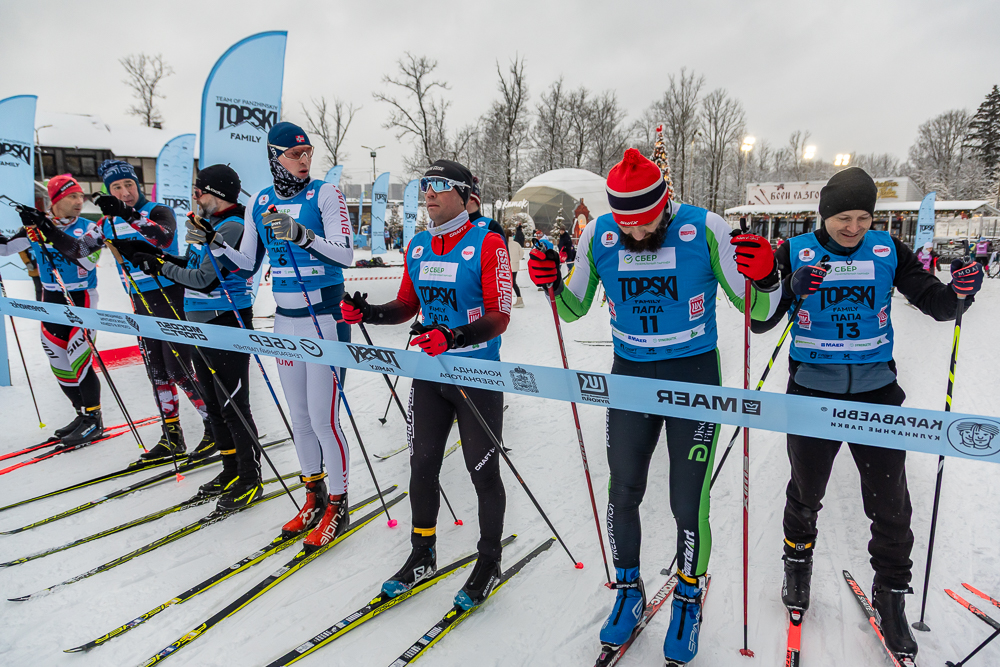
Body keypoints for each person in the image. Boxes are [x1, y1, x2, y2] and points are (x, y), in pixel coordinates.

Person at [528, 148, 780, 665]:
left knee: (688, 501)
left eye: (646, 223)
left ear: (665, 204)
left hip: (693, 377)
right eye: (628, 227)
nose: (638, 235)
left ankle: (688, 597)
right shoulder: (600, 234)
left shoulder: (704, 228)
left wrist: (769, 276)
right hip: (631, 377)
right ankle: (628, 589)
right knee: (622, 490)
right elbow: (573, 308)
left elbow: (755, 307)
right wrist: (550, 280)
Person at [751, 167, 983, 662]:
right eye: (842, 218)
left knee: (891, 503)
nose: (852, 227)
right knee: (806, 491)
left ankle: (891, 595)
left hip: (877, 396)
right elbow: (759, 319)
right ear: (824, 215)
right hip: (813, 393)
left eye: (862, 217)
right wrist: (789, 286)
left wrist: (961, 290)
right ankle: (798, 563)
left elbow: (937, 305)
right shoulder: (796, 250)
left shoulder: (888, 251)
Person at [341, 158, 512, 612]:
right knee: (421, 464)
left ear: (463, 195)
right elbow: (405, 305)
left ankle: (489, 559)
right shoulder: (418, 245)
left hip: (476, 373)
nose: (428, 193)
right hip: (430, 374)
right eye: (424, 187)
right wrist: (370, 313)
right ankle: (423, 552)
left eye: (438, 186)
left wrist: (456, 336)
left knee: (482, 469)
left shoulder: (487, 242)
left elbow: (500, 315)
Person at [212, 122, 355, 546]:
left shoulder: (325, 194)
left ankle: (339, 505)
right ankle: (314, 494)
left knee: (325, 419)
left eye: (308, 153)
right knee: (301, 419)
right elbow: (247, 262)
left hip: (323, 318)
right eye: (295, 155)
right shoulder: (261, 201)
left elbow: (345, 253)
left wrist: (302, 235)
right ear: (275, 157)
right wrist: (216, 242)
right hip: (285, 320)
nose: (304, 160)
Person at [121, 165, 262, 509]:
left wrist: (160, 268)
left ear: (217, 194)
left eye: (199, 191)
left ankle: (249, 477)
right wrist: (156, 256)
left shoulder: (232, 225)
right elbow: (193, 261)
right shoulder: (210, 225)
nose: (195, 197)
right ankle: (230, 470)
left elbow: (204, 279)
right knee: (214, 405)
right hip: (201, 323)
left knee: (232, 406)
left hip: (226, 322)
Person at [95, 159, 212, 462]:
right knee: (157, 372)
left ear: (138, 185)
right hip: (140, 301)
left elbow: (164, 237)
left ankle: (215, 426)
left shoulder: (156, 211)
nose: (124, 192)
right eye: (117, 187)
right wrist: (44, 227)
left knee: (179, 369)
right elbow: (77, 250)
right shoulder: (105, 223)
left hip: (170, 295)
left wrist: (127, 215)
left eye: (129, 185)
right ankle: (172, 436)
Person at [0, 175, 105, 444]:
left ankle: (94, 419)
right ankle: (81, 414)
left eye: (81, 196)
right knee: (59, 361)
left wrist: (45, 226)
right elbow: (7, 248)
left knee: (79, 358)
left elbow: (84, 257)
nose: (79, 201)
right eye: (72, 196)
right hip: (51, 298)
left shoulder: (90, 227)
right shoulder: (36, 229)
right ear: (55, 200)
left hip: (81, 298)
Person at [506, 228, 524, 308]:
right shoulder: (516, 243)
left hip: (506, 266)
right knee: (513, 282)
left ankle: (507, 300)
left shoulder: (503, 243)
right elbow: (522, 253)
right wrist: (517, 259)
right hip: (515, 265)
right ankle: (519, 299)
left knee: (506, 283)